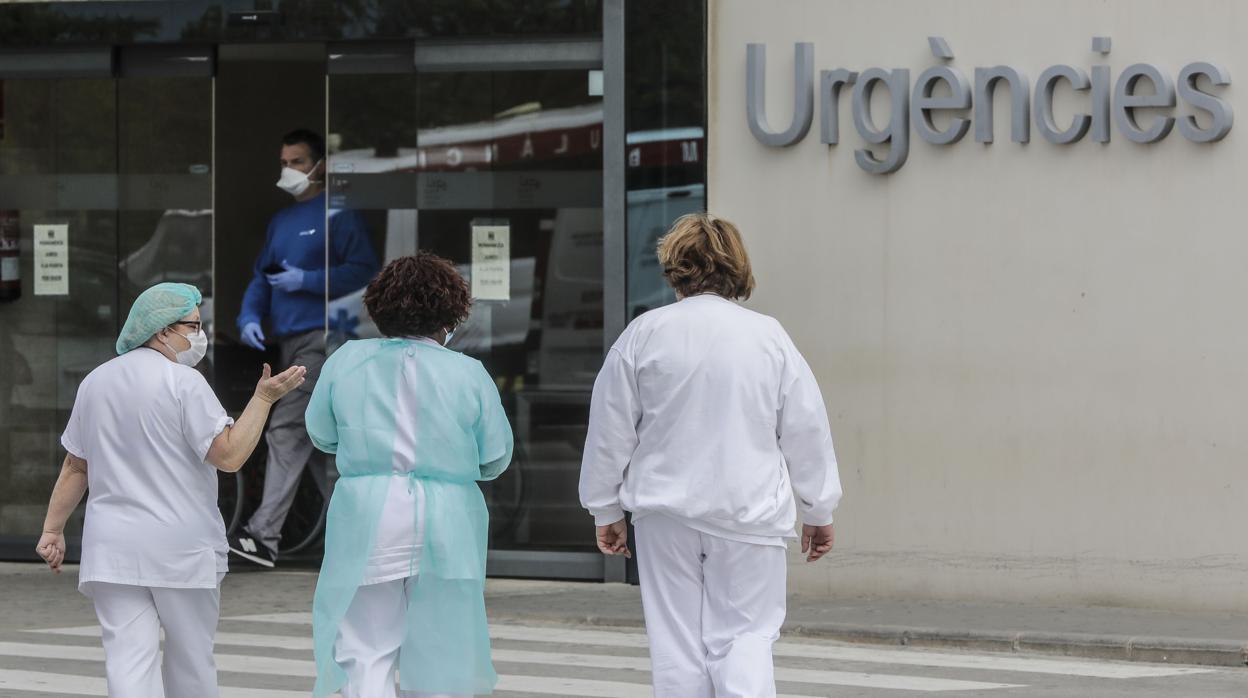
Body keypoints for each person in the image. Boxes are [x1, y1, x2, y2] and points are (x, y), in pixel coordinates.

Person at [578, 213, 843, 698]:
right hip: (749, 514)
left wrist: (606, 508)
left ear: (674, 266)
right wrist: (818, 508)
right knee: (745, 638)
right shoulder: (769, 337)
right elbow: (806, 429)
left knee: (676, 646)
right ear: (736, 267)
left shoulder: (643, 334)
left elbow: (610, 430)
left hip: (664, 515)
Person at [35, 282, 306, 697]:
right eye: (193, 325)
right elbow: (229, 456)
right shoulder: (184, 383)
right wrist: (263, 399)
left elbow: (76, 464)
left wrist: (52, 530)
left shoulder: (96, 381)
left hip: (113, 549)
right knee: (191, 662)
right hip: (181, 549)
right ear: (162, 330)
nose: (201, 335)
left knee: (127, 661)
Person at [305, 252, 513, 698]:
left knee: (366, 646)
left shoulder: (346, 361)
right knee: (446, 648)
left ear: (379, 308)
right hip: (448, 517)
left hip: (368, 514)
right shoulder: (468, 372)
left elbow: (321, 434)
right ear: (451, 313)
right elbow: (495, 457)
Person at [230, 128, 380, 567]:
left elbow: (364, 270)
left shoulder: (340, 215)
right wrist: (249, 316)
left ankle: (263, 536)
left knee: (287, 429)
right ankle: (360, 537)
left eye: (297, 161)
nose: (289, 170)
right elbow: (262, 276)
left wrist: (308, 281)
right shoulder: (281, 221)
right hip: (289, 340)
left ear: (320, 166)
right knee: (319, 444)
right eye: (285, 162)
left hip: (324, 337)